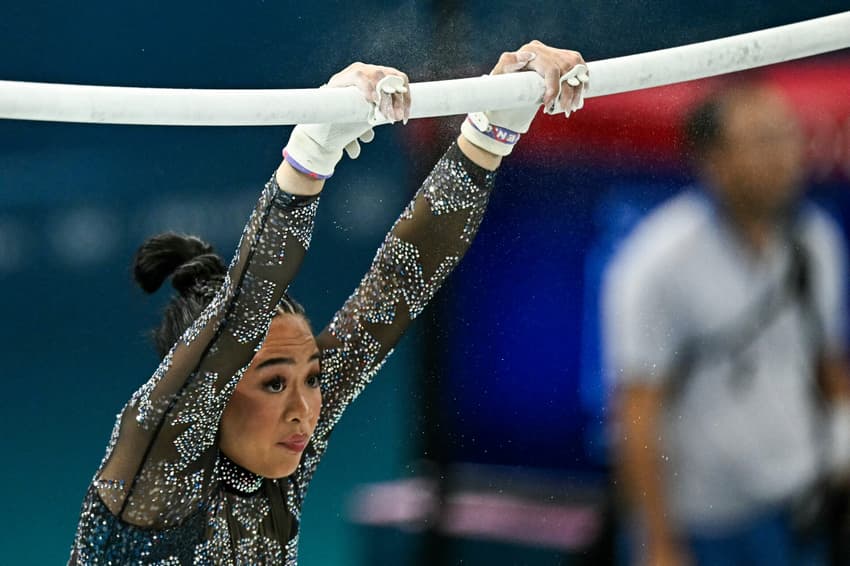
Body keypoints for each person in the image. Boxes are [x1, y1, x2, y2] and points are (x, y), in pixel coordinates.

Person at [69, 42, 590, 564]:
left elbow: (398, 285)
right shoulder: (150, 466)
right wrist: (309, 156)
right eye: (274, 382)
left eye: (312, 378)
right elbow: (242, 311)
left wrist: (492, 128)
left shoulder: (282, 450)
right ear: (214, 389)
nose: (304, 412)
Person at [603, 80, 850, 565]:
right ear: (712, 159)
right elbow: (636, 410)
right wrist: (657, 540)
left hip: (797, 509)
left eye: (787, 135)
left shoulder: (816, 243)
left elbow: (828, 368)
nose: (783, 155)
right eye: (761, 140)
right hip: (703, 522)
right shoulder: (656, 262)